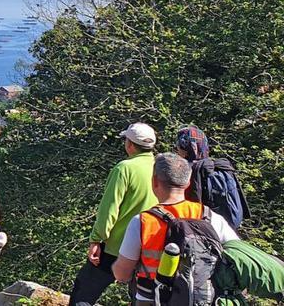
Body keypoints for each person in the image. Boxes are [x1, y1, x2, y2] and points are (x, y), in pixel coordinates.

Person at [111, 153, 240, 304]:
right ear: (187, 184)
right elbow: (237, 258)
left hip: (153, 299)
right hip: (200, 299)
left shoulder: (142, 221)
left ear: (154, 182)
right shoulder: (210, 217)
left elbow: (122, 274)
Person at [68, 123, 160, 306]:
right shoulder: (160, 167)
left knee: (83, 291)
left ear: (131, 145)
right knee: (142, 296)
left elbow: (109, 209)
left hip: (117, 246)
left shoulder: (124, 168)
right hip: (151, 246)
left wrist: (96, 239)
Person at [175, 126, 249, 229]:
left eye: (178, 146)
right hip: (226, 230)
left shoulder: (186, 171)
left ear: (185, 148)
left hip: (198, 230)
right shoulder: (219, 168)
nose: (177, 150)